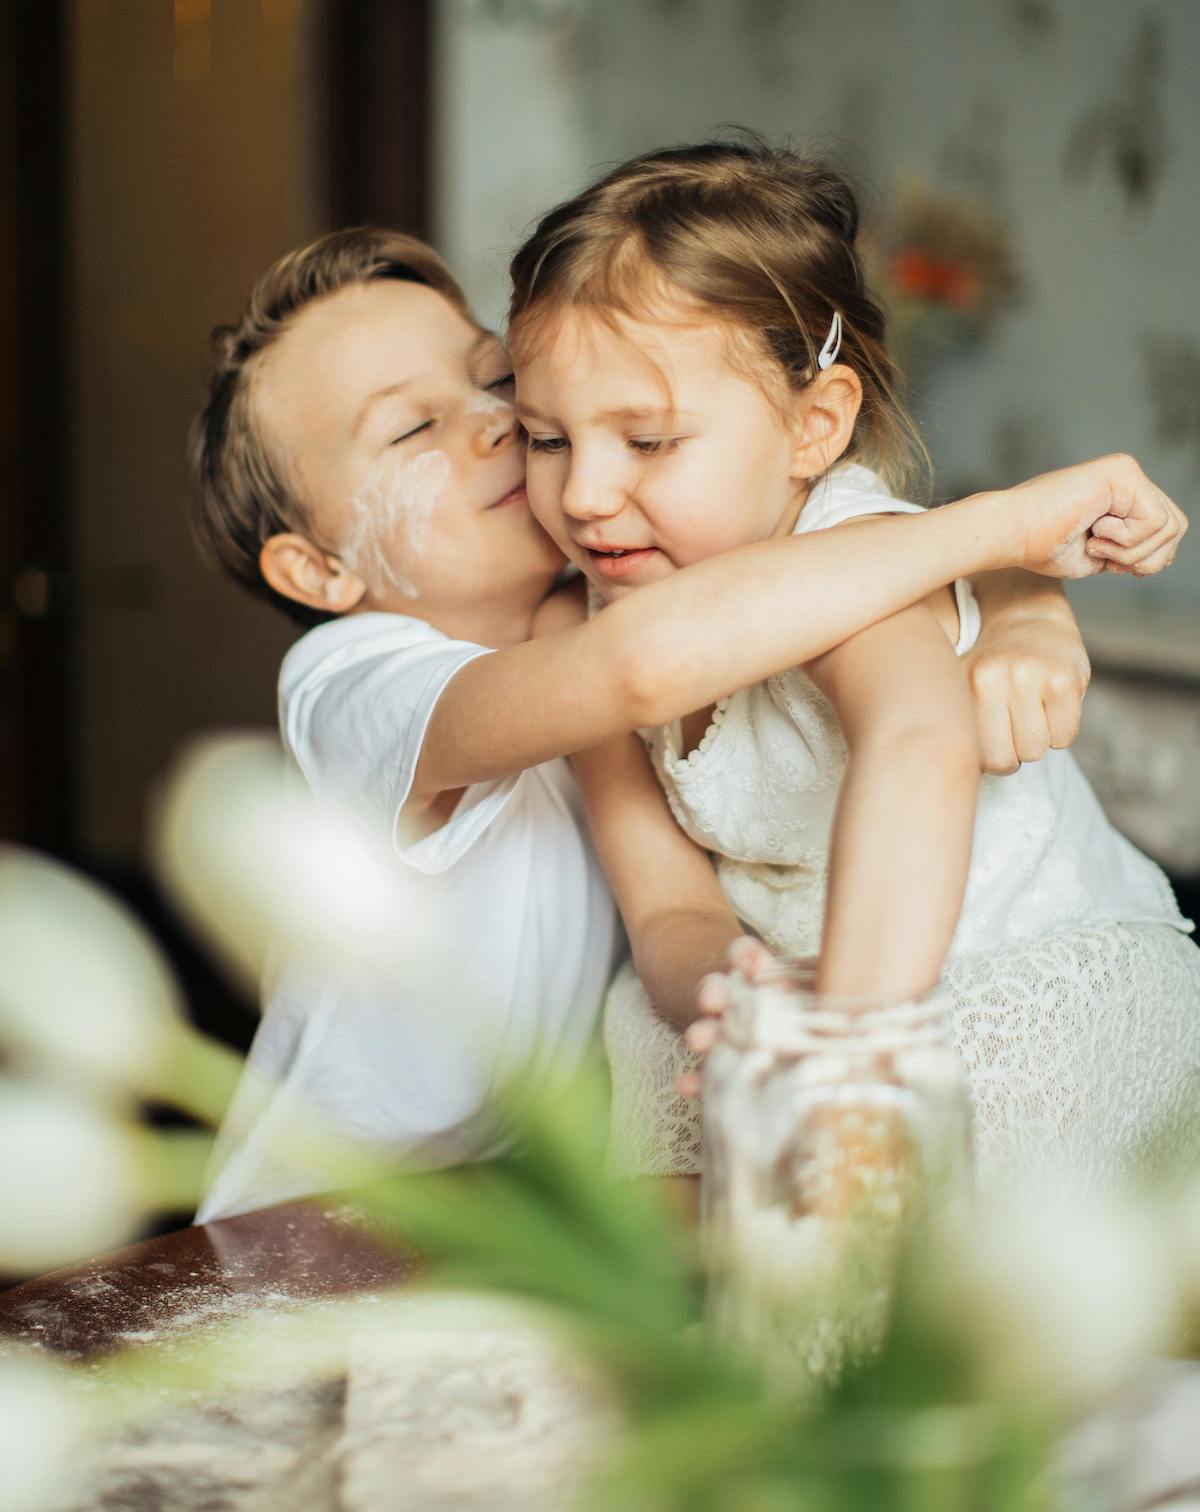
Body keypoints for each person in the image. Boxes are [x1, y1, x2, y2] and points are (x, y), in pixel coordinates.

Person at [189, 225, 1182, 1219]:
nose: (494, 425)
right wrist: (1004, 531)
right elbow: (646, 665)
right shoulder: (348, 686)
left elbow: (823, 570)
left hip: (530, 1202)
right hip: (322, 1217)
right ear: (319, 570)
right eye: (412, 429)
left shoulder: (598, 586)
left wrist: (1020, 609)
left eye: (496, 382)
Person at [505, 137, 1197, 1192]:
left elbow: (919, 743)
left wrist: (846, 1054)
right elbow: (666, 907)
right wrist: (736, 1010)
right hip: (788, 981)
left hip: (995, 973)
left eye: (647, 443)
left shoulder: (858, 569)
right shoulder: (577, 624)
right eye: (545, 439)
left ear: (814, 426)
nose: (586, 494)